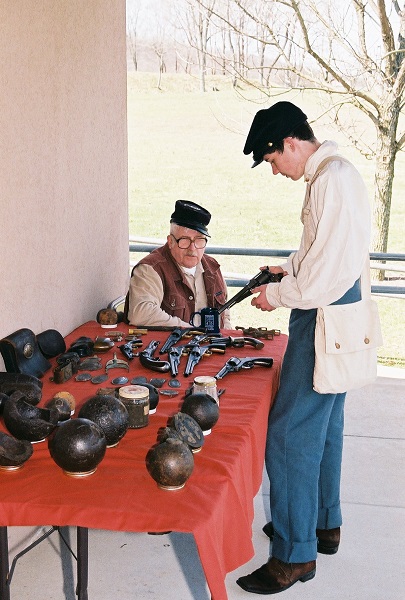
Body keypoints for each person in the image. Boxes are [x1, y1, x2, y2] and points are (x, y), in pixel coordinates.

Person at [236, 101, 371, 594]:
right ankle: (322, 524)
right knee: (325, 427)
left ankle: (295, 555)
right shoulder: (336, 174)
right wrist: (287, 266)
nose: (274, 170)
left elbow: (323, 277)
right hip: (341, 313)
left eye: (272, 159)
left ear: (290, 142)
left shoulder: (329, 181)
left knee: (290, 434)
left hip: (322, 314)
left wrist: (277, 294)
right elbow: (325, 252)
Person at [125, 199, 232, 328]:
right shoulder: (150, 269)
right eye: (185, 240)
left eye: (199, 240)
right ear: (170, 241)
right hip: (170, 347)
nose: (192, 248)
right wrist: (188, 330)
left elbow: (225, 313)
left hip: (213, 346)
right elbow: (141, 313)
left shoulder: (213, 268)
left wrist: (227, 333)